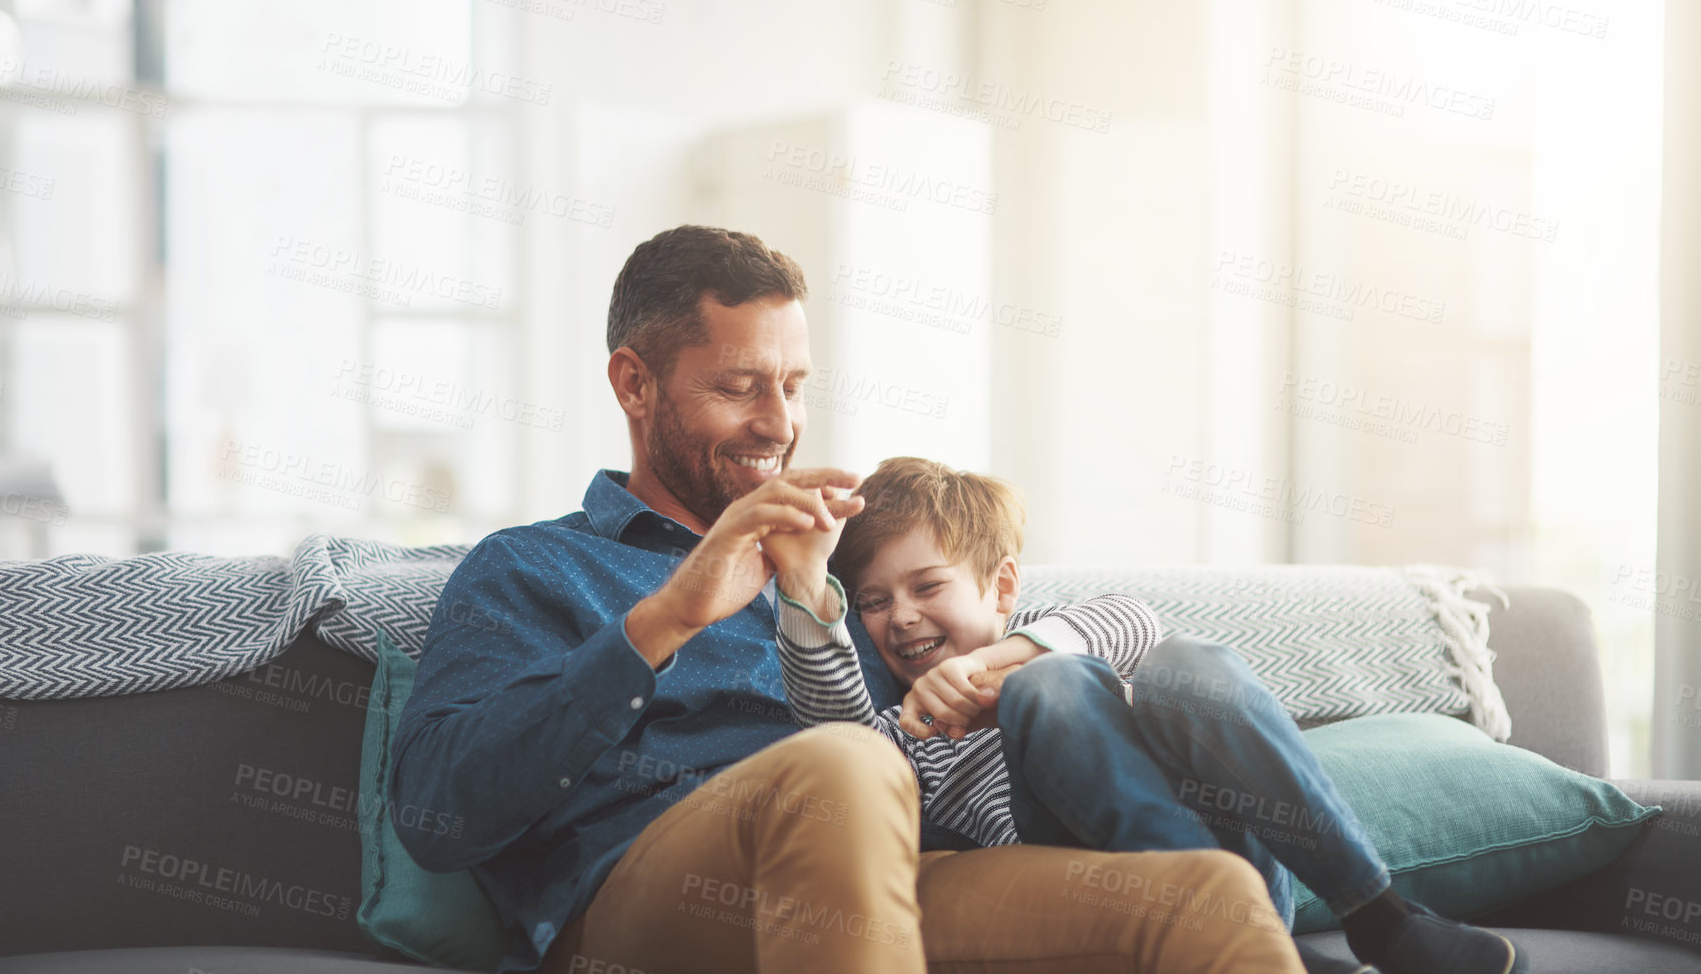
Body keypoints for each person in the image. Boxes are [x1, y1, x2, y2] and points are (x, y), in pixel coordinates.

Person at [390, 224, 1306, 974]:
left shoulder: (845, 588)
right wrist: (665, 617)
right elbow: (440, 810)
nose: (780, 426)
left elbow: (1004, 666)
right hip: (637, 914)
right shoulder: (532, 568)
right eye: (739, 388)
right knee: (842, 767)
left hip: (884, 882)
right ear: (635, 383)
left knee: (1206, 897)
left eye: (793, 388)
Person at [766, 454, 1529, 974]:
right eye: (873, 601)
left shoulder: (1060, 632)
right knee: (1045, 692)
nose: (900, 617)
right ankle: (1241, 937)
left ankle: (1383, 916)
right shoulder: (908, 730)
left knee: (1180, 669)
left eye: (927, 587)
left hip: (1237, 860)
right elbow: (836, 731)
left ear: (1001, 589)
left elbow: (1132, 620)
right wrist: (804, 587)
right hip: (1105, 888)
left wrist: (987, 665)